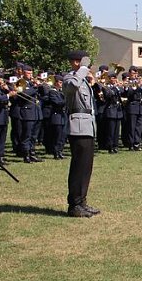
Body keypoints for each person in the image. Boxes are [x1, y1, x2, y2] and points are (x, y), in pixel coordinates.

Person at [62, 51, 99, 218]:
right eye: (84, 63)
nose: (88, 66)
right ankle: (74, 205)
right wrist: (83, 68)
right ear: (76, 62)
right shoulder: (70, 78)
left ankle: (82, 201)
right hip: (77, 126)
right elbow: (72, 88)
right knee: (78, 167)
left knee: (86, 168)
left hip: (87, 126)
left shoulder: (83, 79)